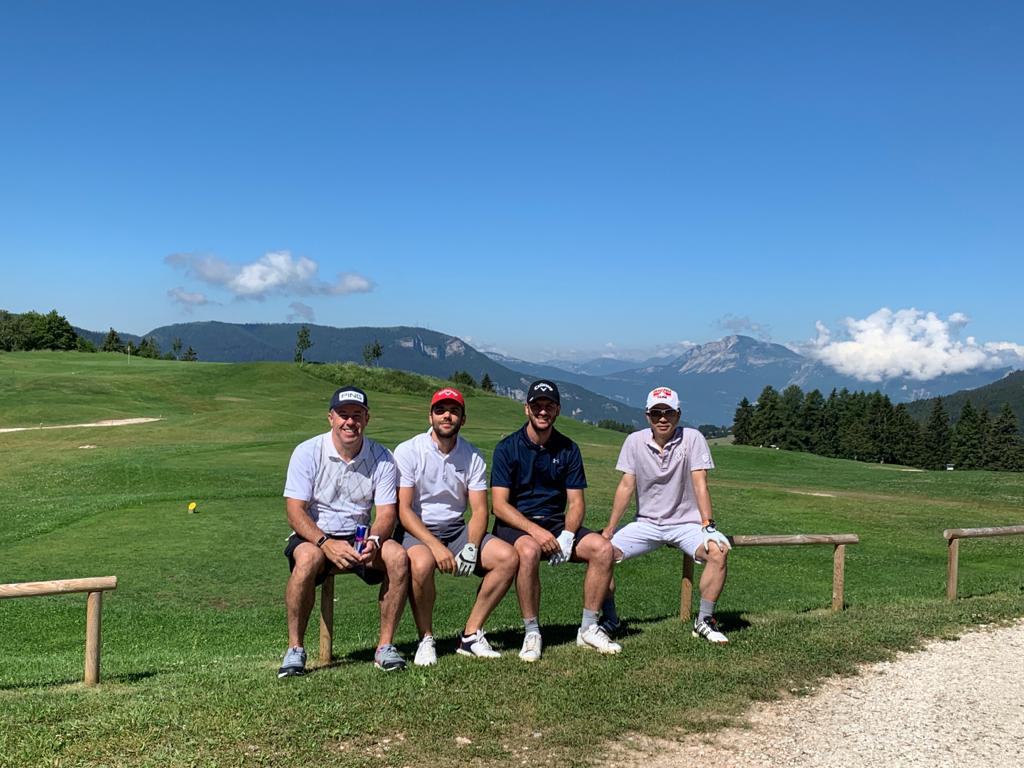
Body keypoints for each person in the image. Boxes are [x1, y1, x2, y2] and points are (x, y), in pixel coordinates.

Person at [278, 385, 410, 677]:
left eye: (357, 415)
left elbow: (386, 513)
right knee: (307, 559)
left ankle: (385, 647)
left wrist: (374, 540)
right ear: (331, 418)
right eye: (343, 414)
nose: (350, 422)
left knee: (398, 556)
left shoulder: (382, 457)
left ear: (367, 419)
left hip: (360, 535)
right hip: (315, 534)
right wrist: (325, 543)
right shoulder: (307, 451)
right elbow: (295, 512)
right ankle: (295, 650)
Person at [491, 379, 621, 661]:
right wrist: (536, 532)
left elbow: (576, 503)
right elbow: (499, 506)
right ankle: (532, 632)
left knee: (603, 549)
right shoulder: (507, 448)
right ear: (527, 409)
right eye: (537, 405)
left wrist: (568, 535)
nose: (543, 411)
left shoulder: (568, 449)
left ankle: (588, 628)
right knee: (529, 550)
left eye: (549, 406)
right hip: (515, 524)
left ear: (558, 410)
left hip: (555, 523)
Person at [394, 387, 519, 666]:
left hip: (456, 529)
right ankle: (426, 638)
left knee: (507, 558)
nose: (446, 416)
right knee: (422, 564)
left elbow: (480, 510)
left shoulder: (472, 455)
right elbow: (404, 510)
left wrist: (472, 546)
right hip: (418, 529)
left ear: (463, 419)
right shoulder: (409, 450)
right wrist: (435, 546)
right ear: (430, 416)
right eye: (440, 410)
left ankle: (470, 635)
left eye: (454, 411)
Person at [601, 387, 732, 644]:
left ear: (678, 415)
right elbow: (626, 486)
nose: (662, 418)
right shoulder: (634, 441)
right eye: (656, 413)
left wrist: (708, 525)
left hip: (686, 524)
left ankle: (704, 620)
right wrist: (610, 528)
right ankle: (610, 619)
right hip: (646, 524)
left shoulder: (693, 438)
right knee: (600, 553)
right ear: (647, 416)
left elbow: (700, 483)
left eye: (668, 413)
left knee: (719, 552)